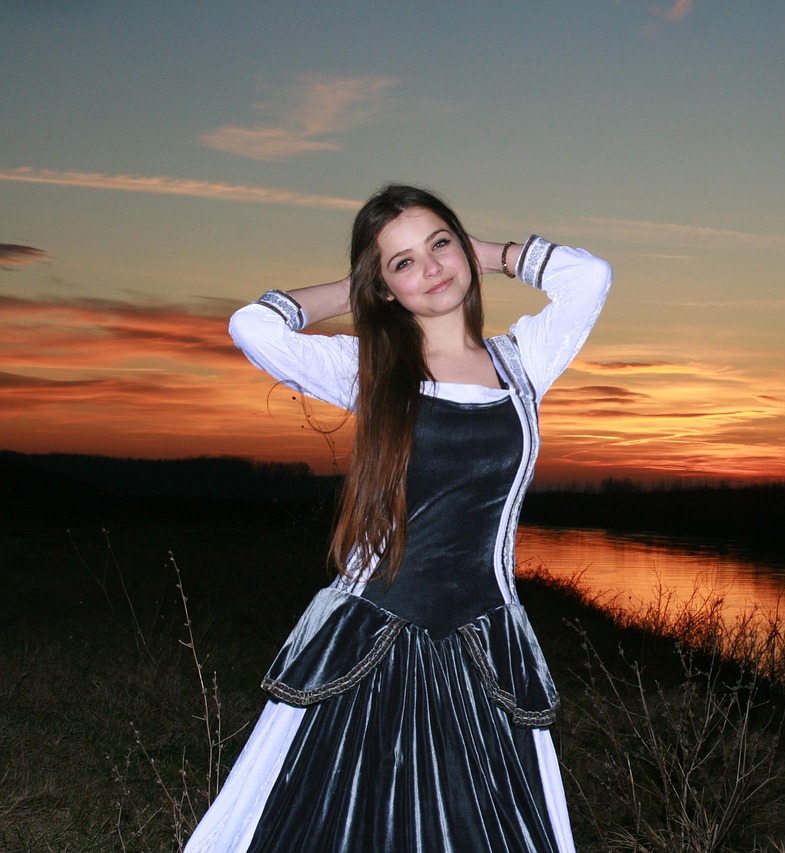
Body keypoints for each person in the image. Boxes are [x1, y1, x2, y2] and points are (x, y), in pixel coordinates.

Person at [185, 184, 611, 852]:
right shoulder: (369, 368)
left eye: (440, 244)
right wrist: (360, 287)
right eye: (403, 262)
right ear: (384, 286)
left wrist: (487, 252)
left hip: (484, 644)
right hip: (373, 638)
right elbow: (252, 326)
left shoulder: (522, 362)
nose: (432, 267)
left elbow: (590, 277)